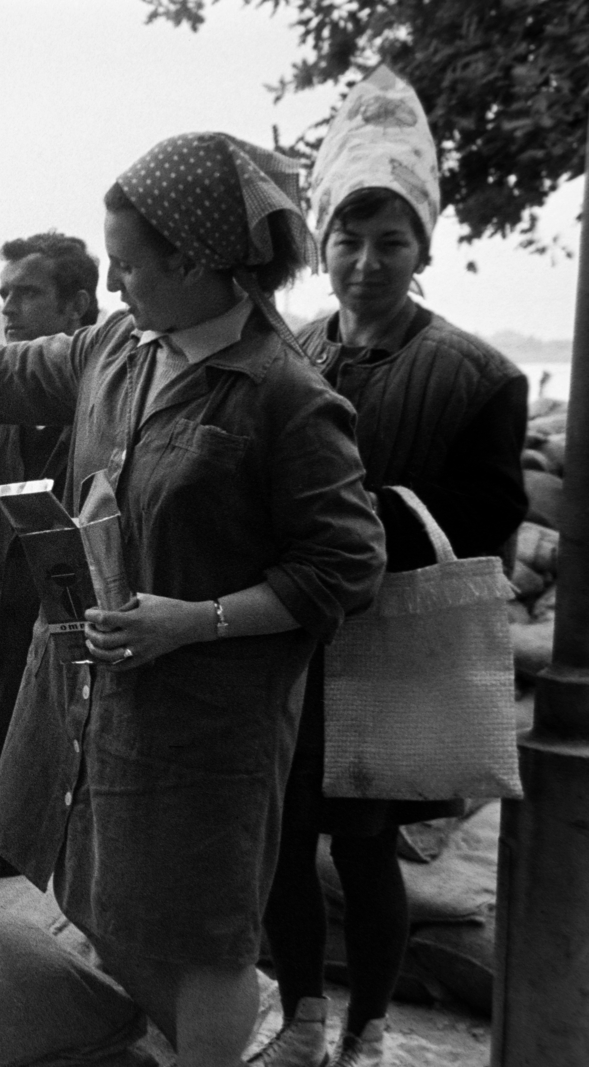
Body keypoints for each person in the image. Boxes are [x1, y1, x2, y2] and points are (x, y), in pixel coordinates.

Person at [0, 132, 385, 1067]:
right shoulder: (122, 347)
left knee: (206, 932)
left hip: (211, 722)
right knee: (105, 899)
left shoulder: (284, 397)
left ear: (195, 262)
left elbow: (346, 564)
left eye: (126, 265)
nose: (113, 286)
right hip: (100, 695)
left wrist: (195, 620)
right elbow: (4, 373)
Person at [252, 67, 528, 1067]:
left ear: (423, 247)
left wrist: (362, 531)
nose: (366, 262)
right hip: (285, 630)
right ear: (320, 242)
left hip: (391, 641)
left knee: (363, 844)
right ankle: (301, 1014)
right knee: (280, 837)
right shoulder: (289, 348)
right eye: (348, 240)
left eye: (390, 241)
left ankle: (367, 1024)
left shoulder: (476, 374)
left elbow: (489, 521)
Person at [0, 232, 99, 792]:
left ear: (77, 304)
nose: (6, 307)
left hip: (70, 677)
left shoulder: (107, 418)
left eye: (26, 292)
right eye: (3, 293)